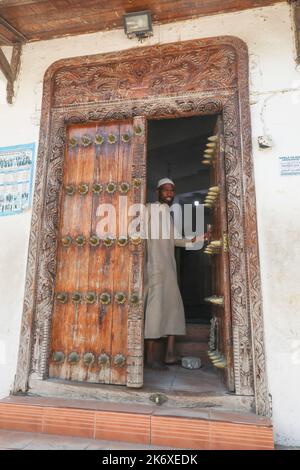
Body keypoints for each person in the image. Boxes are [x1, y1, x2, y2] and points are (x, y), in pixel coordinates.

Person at [143, 178, 205, 370]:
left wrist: (197, 239)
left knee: (174, 309)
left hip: (169, 269)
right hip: (154, 267)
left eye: (172, 191)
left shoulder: (168, 215)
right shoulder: (149, 209)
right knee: (154, 310)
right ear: (157, 191)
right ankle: (150, 358)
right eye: (165, 190)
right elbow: (139, 234)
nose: (169, 194)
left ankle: (169, 355)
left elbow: (176, 240)